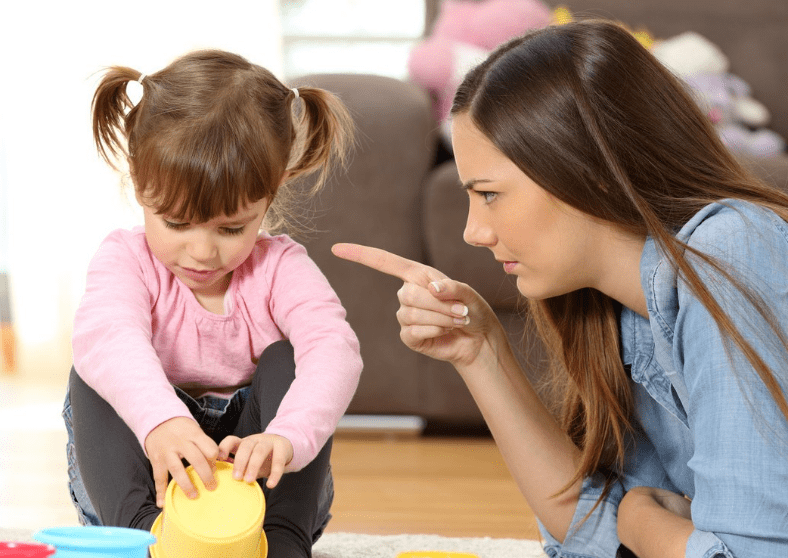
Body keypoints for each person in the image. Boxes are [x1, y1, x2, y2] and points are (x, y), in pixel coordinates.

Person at [333, 20, 788, 558]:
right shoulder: (619, 311)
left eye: (491, 194)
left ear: (588, 169)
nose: (473, 232)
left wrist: (639, 521)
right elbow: (591, 537)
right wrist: (480, 351)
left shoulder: (733, 249)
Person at [64, 49, 362, 558]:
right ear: (139, 186)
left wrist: (288, 439)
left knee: (289, 359)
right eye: (177, 223)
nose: (203, 252)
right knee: (94, 368)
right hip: (145, 490)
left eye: (231, 228)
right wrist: (162, 422)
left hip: (261, 504)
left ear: (270, 196)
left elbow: (335, 350)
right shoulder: (124, 259)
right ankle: (145, 538)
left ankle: (284, 541)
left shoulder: (280, 268)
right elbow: (108, 336)